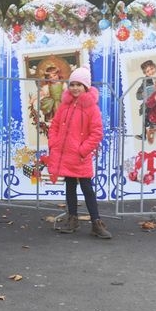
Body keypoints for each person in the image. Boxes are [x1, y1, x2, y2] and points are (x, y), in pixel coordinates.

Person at [47, 67, 111, 239]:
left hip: (80, 156)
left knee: (87, 188)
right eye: (72, 84)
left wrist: (82, 150)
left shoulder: (92, 109)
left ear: (86, 87)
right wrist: (54, 142)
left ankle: (96, 223)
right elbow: (54, 125)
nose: (75, 88)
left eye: (79, 85)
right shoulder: (64, 106)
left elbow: (96, 133)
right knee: (69, 186)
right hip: (66, 154)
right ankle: (72, 219)